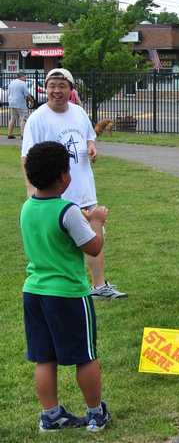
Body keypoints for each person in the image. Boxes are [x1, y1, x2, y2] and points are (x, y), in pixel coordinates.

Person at [20, 141, 112, 432]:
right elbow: (93, 247)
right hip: (68, 295)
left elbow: (54, 228)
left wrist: (80, 219)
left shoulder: (28, 207)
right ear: (63, 177)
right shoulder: (68, 210)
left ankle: (50, 415)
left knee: (44, 357)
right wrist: (96, 220)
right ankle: (96, 414)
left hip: (34, 291)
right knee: (84, 355)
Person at [21, 68, 127, 300]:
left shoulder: (78, 112)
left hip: (83, 187)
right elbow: (27, 157)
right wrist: (32, 190)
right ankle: (64, 286)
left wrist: (91, 147)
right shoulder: (37, 119)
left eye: (61, 86)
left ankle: (99, 286)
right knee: (61, 241)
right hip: (55, 192)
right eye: (52, 86)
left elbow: (89, 136)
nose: (56, 91)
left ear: (70, 90)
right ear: (46, 89)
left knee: (94, 233)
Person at [7, 72, 32, 139]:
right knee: (23, 119)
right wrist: (32, 101)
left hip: (11, 103)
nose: (26, 78)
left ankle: (9, 134)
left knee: (12, 118)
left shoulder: (11, 82)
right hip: (20, 103)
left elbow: (8, 92)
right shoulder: (23, 83)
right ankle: (23, 135)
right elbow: (27, 94)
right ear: (22, 76)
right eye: (25, 76)